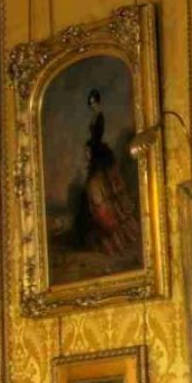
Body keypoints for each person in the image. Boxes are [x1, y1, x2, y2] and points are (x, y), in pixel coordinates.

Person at [66, 87, 132, 258]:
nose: (92, 106)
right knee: (91, 188)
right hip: (95, 149)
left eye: (93, 103)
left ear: (98, 102)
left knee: (103, 184)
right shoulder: (95, 116)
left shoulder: (100, 116)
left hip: (98, 151)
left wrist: (92, 145)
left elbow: (97, 135)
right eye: (91, 104)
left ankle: (112, 228)